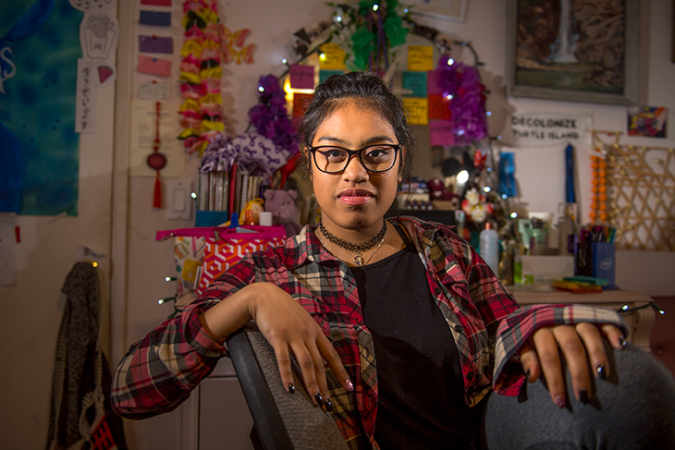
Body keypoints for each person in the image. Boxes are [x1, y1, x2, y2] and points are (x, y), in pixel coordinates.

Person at [112, 72, 675, 449]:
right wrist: (250, 300)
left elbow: (504, 325)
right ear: (310, 166)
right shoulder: (269, 268)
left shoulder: (445, 250)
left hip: (478, 436)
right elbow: (131, 393)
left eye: (376, 153)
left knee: (638, 384)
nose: (355, 172)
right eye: (333, 154)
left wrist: (543, 327)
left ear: (399, 163)